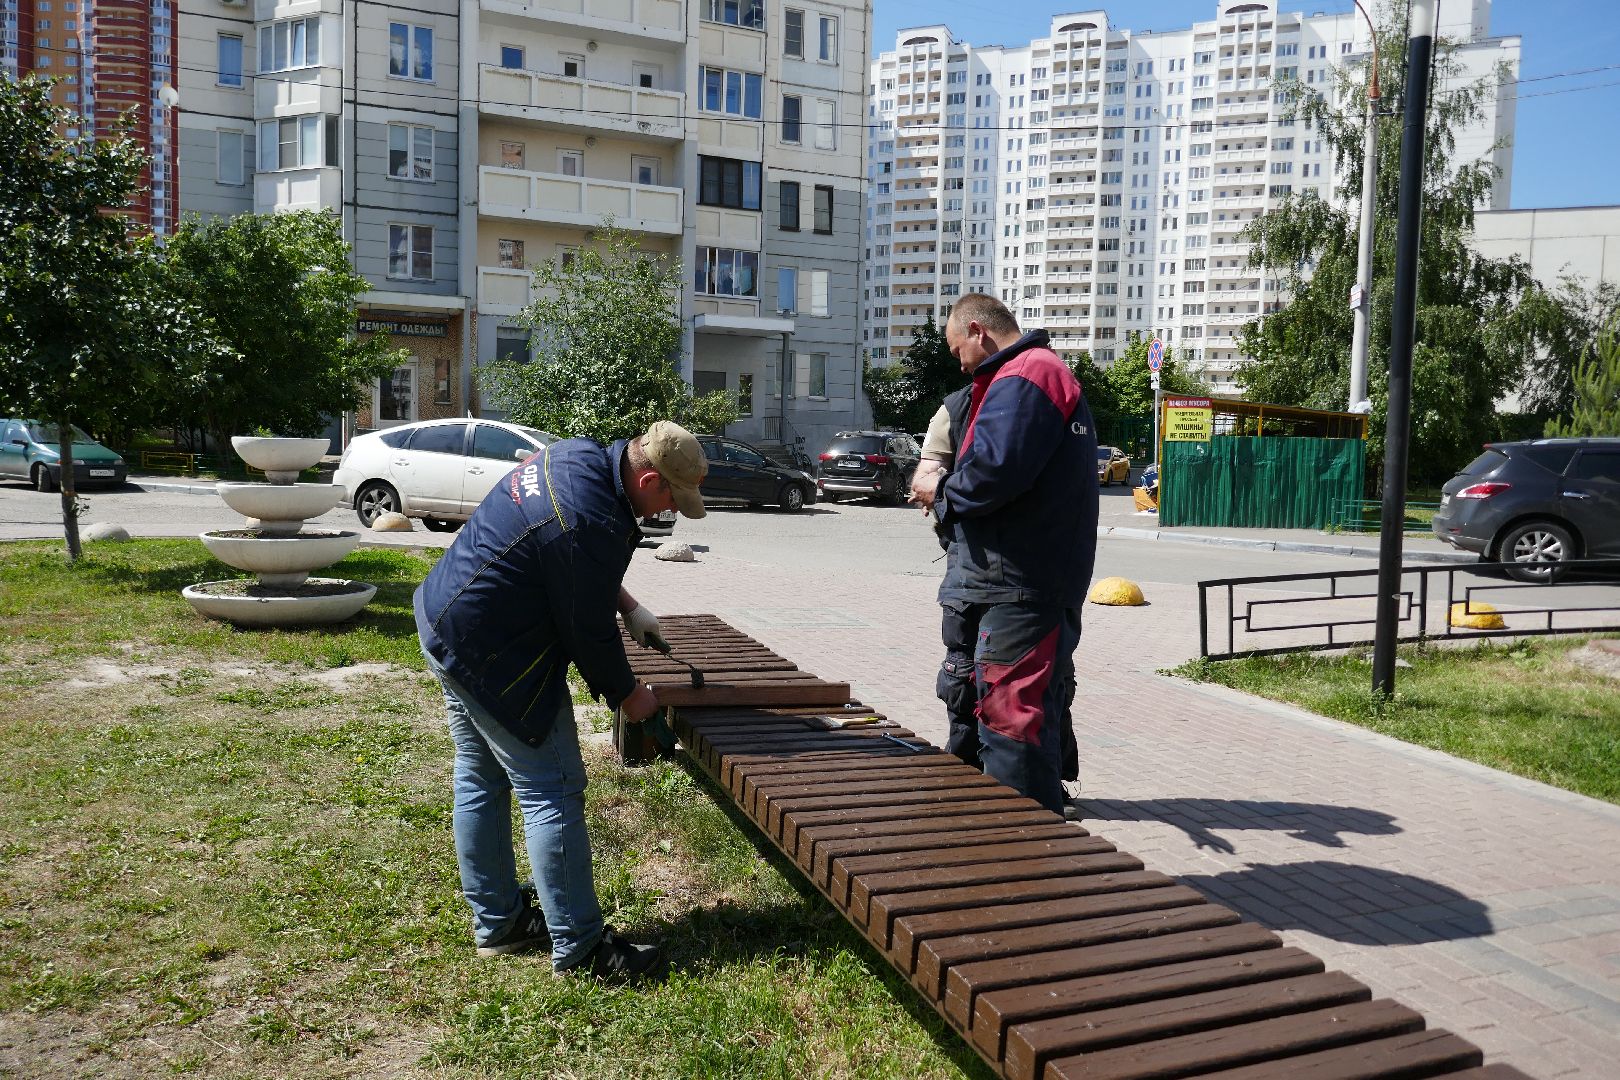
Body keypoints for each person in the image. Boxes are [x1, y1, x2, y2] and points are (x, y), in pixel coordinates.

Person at [414, 420, 708, 979]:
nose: (669, 510)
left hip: (447, 621)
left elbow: (569, 560)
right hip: (493, 652)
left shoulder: (580, 457)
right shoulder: (589, 518)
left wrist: (628, 605)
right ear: (647, 477)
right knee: (552, 790)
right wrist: (629, 695)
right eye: (672, 497)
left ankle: (499, 922)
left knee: (480, 779)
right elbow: (585, 631)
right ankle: (581, 948)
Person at [909, 294, 1099, 815]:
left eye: (957, 351)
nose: (959, 362)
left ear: (978, 330)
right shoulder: (1015, 377)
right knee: (982, 707)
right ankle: (987, 844)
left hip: (1020, 581)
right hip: (1005, 579)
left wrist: (940, 495)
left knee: (1012, 726)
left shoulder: (1029, 373)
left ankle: (1027, 861)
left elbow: (993, 471)